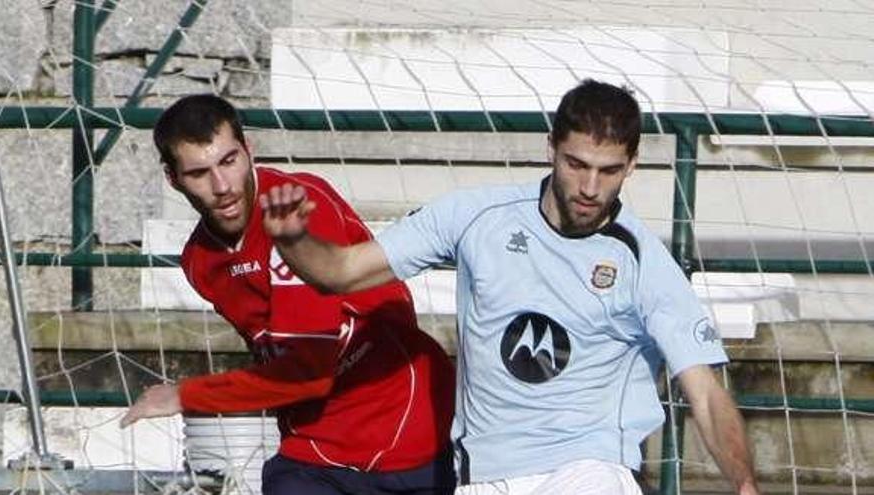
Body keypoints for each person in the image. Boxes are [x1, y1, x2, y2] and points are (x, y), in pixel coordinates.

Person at [253, 79, 760, 494]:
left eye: (608, 172)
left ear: (631, 166)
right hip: (485, 474)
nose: (589, 187)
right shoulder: (475, 217)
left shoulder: (643, 262)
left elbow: (706, 393)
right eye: (576, 164)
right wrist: (295, 240)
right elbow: (340, 271)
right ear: (551, 149)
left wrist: (743, 485)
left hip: (588, 467)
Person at [120, 94, 456, 495]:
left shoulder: (299, 205)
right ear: (173, 179)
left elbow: (307, 372)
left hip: (400, 433)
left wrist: (187, 394)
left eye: (229, 161)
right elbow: (276, 357)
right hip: (313, 447)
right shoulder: (199, 262)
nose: (221, 186)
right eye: (199, 172)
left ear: (249, 151)